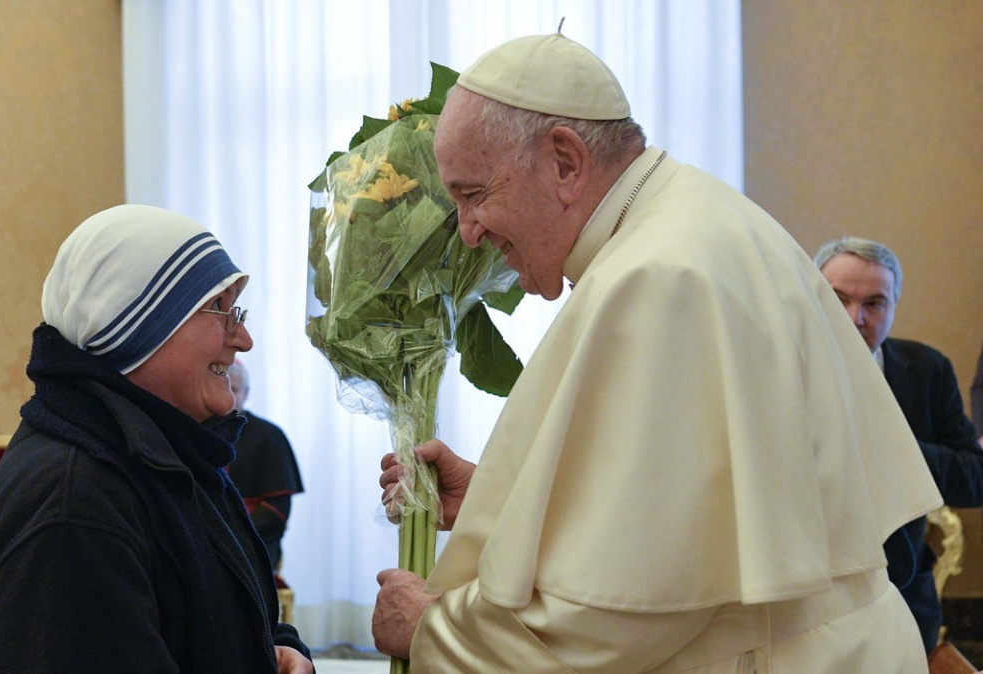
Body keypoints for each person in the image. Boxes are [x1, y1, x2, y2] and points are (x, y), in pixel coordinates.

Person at [373, 33, 942, 672]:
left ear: (564, 161)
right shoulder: (693, 221)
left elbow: (617, 617)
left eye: (473, 194)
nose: (468, 230)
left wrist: (434, 628)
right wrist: (497, 506)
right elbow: (683, 527)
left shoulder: (657, 276)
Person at [0, 204, 313, 674]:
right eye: (220, 309)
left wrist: (279, 651)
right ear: (139, 323)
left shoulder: (170, 456)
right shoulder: (73, 510)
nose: (243, 339)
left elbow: (228, 616)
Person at [815, 236, 983, 653]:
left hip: (903, 593)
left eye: (874, 303)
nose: (855, 318)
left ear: (893, 308)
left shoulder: (927, 370)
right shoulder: (777, 368)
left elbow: (974, 479)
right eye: (837, 299)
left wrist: (891, 448)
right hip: (810, 597)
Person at [226, 360, 304, 574]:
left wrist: (232, 536)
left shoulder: (269, 436)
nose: (228, 396)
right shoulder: (196, 431)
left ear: (246, 393)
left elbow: (275, 513)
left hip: (253, 545)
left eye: (233, 389)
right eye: (222, 387)